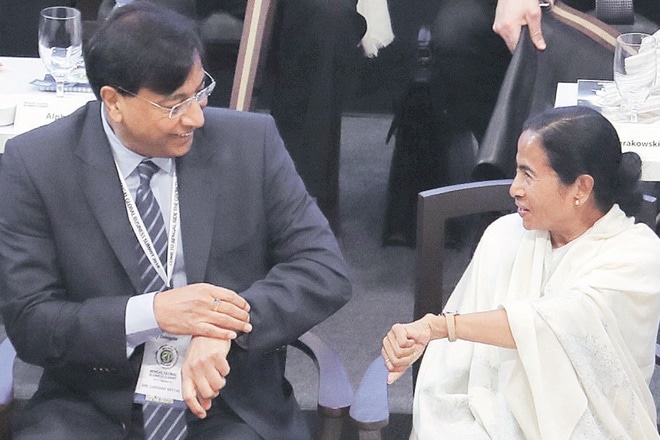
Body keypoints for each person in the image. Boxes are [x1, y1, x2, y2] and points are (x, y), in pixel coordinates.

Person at [0, 2, 351, 439]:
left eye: (199, 91)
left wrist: (223, 327)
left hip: (228, 401)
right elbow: (31, 320)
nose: (196, 117)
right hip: (93, 403)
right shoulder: (36, 164)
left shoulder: (250, 143)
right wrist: (152, 313)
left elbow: (323, 269)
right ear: (114, 101)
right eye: (174, 105)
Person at [382, 106, 660, 438]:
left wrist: (439, 326)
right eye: (517, 171)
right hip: (485, 423)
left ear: (581, 188)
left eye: (528, 175)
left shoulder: (637, 255)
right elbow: (456, 364)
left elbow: (556, 324)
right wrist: (419, 338)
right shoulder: (505, 236)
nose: (514, 188)